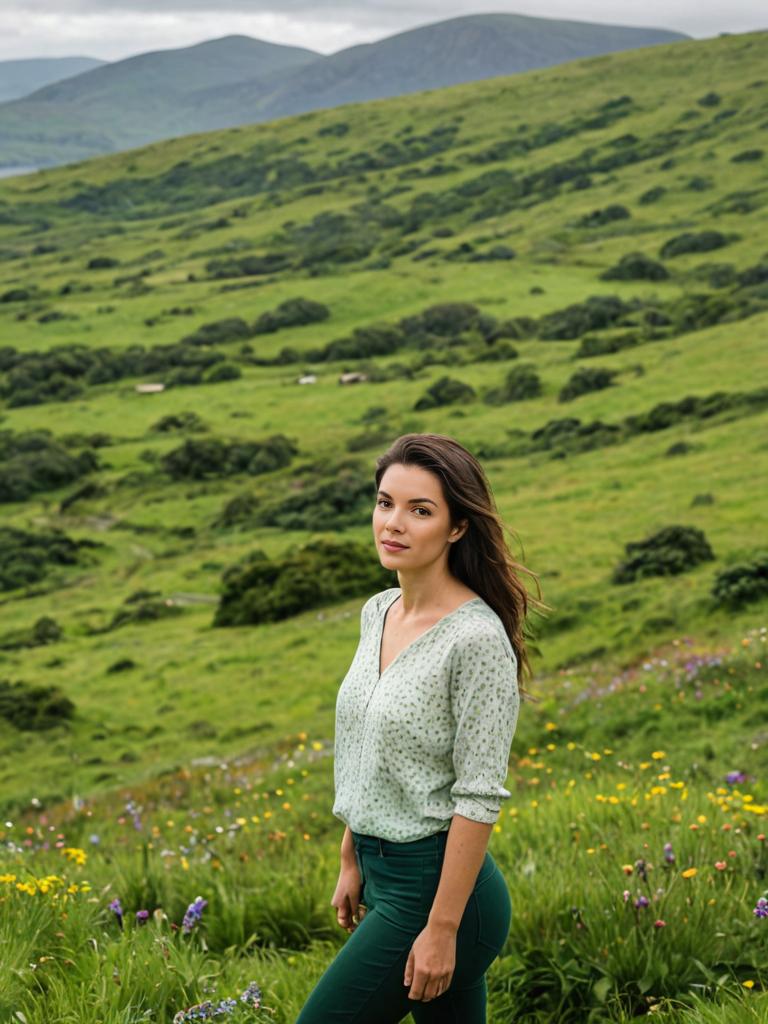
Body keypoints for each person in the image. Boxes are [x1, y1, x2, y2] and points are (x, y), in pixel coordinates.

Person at [296, 433, 545, 1024]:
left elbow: (479, 796)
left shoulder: (476, 641)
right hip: (382, 872)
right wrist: (351, 857)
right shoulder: (377, 611)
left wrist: (441, 929)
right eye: (386, 503)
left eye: (420, 510)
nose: (394, 523)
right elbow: (366, 748)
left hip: (439, 894)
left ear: (457, 527)